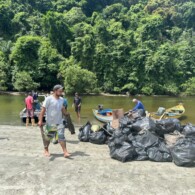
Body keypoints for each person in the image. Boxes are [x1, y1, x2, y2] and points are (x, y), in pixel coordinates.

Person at [38, 85, 70, 158]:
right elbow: (43, 110)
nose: (61, 92)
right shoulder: (48, 99)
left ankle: (65, 152)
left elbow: (62, 108)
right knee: (48, 137)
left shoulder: (62, 99)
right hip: (51, 122)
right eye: (60, 91)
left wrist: (66, 113)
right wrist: (40, 121)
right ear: (55, 91)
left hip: (60, 121)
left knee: (61, 136)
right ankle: (46, 150)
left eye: (62, 91)